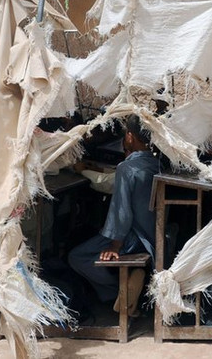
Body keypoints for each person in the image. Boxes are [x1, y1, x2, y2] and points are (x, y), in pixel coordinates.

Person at [68, 115, 160, 317]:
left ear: (129, 137)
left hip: (132, 239)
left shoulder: (126, 169)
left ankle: (117, 289)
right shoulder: (156, 164)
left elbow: (122, 212)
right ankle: (129, 291)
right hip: (152, 236)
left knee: (76, 257)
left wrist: (115, 245)